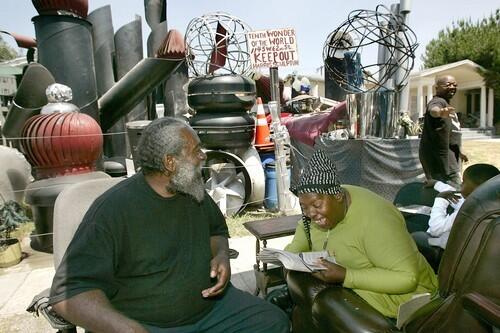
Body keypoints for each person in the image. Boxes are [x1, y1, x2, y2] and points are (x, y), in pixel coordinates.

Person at [49, 117, 289, 333]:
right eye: (195, 151)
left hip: (213, 311)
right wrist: (124, 328)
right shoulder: (112, 211)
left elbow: (217, 230)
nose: (203, 156)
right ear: (170, 163)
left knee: (273, 322)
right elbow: (68, 293)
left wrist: (221, 254)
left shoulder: (193, 192)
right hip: (148, 325)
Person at [285, 149, 438, 319]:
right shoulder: (321, 209)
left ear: (338, 196)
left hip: (404, 300)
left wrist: (346, 275)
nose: (310, 214)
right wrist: (290, 257)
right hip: (350, 288)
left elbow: (406, 278)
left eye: (316, 205)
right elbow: (302, 235)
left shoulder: (376, 220)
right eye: (304, 207)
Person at [412, 163, 499, 271]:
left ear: (476, 188)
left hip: (450, 252)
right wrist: (437, 184)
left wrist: (440, 200)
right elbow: (458, 197)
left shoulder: (467, 212)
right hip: (476, 252)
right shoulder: (486, 202)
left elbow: (436, 229)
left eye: (463, 182)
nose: (461, 185)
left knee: (415, 236)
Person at [419, 75, 466, 188]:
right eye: (448, 85)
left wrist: (459, 152)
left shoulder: (446, 104)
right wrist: (440, 112)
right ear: (437, 88)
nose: (452, 87)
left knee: (444, 191)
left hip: (447, 156)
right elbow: (433, 110)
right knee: (453, 191)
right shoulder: (438, 101)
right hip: (439, 160)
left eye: (454, 85)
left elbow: (448, 135)